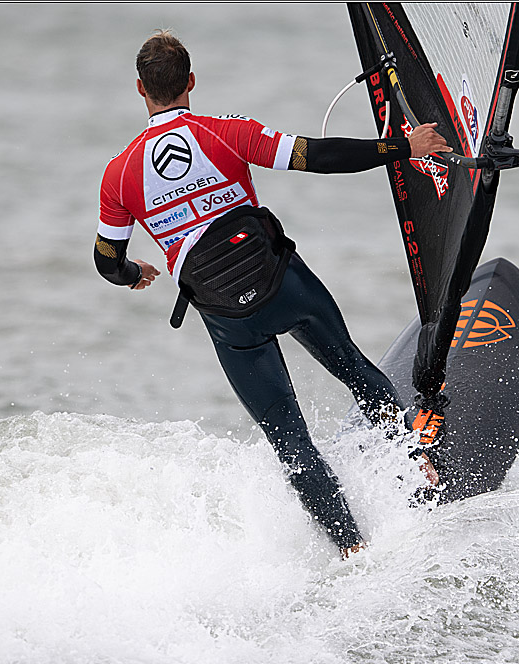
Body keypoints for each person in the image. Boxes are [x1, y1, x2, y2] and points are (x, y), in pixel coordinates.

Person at [93, 30, 451, 558]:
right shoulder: (226, 133)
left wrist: (135, 273)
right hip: (285, 287)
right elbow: (317, 155)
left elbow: (106, 261)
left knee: (290, 441)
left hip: (228, 319)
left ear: (140, 89)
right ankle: (422, 467)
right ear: (191, 81)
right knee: (355, 370)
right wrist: (405, 147)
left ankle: (353, 549)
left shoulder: (119, 174)